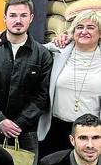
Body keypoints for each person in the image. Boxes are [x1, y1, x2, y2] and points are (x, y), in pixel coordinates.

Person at [0, 0, 52, 165]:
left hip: (26, 131)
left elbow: (42, 95)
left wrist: (18, 124)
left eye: (23, 15)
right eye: (13, 15)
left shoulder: (42, 54)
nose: (18, 20)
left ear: (31, 18)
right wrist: (0, 119)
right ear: (4, 18)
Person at [38, 10, 101, 157]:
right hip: (56, 128)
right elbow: (27, 48)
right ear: (73, 31)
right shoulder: (59, 50)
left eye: (91, 27)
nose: (84, 31)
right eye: (79, 27)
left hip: (91, 133)